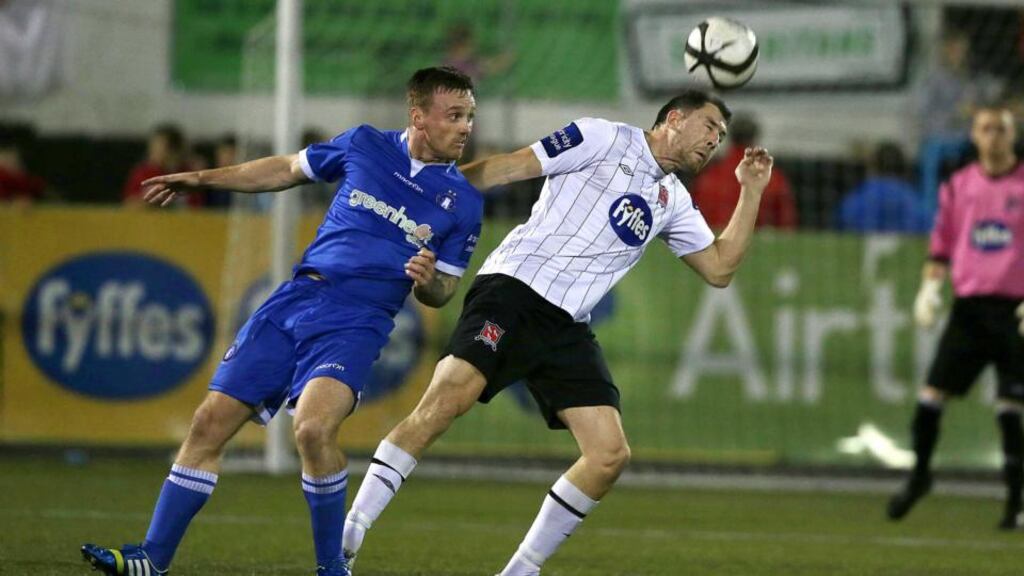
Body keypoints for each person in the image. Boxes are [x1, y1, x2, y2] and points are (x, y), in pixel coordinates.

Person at [342, 90, 774, 574]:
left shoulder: (673, 200)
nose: (714, 141)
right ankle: (350, 532)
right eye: (709, 127)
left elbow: (719, 268)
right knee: (446, 401)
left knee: (609, 455)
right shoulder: (600, 135)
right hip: (515, 289)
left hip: (567, 325)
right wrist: (420, 199)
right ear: (674, 118)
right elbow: (509, 167)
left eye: (720, 135)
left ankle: (520, 572)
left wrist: (751, 190)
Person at [80, 66, 483, 576]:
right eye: (454, 115)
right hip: (295, 299)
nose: (465, 126)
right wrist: (202, 179)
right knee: (208, 422)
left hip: (357, 322)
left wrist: (427, 281)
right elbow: (285, 169)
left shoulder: (464, 203)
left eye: (469, 115)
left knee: (313, 430)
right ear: (418, 116)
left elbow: (444, 291)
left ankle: (331, 567)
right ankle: (152, 559)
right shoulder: (363, 144)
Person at [887, 105, 1024, 530]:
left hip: (1015, 312)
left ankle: (1015, 504)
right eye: (986, 128)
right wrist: (929, 289)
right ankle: (920, 475)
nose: (994, 136)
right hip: (968, 310)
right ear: (975, 135)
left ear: (1013, 134)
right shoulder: (959, 186)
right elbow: (941, 246)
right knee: (931, 396)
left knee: (1012, 407)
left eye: (1001, 128)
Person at [689, 112, 795, 230]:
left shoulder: (709, 177)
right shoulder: (772, 178)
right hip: (756, 243)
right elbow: (786, 225)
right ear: (754, 138)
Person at [835, 142, 931, 233]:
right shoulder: (913, 200)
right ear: (903, 167)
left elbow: (843, 222)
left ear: (873, 166)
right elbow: (927, 226)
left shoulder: (858, 198)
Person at [122, 124, 201, 208]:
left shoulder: (188, 174)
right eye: (153, 146)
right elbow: (128, 205)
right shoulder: (142, 173)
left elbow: (198, 208)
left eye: (159, 147)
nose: (153, 151)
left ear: (173, 149)